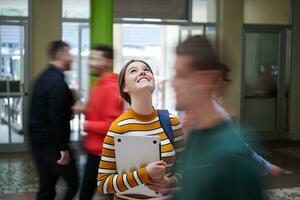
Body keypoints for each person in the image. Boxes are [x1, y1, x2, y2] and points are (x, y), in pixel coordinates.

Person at [171, 35, 264, 200]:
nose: (173, 83)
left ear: (204, 79)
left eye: (182, 75)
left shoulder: (232, 154)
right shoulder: (194, 136)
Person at [97, 60, 185, 199]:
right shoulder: (118, 127)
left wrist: (170, 182)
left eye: (146, 69)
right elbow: (103, 183)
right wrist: (145, 174)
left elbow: (185, 167)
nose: (142, 72)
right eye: (133, 71)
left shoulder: (171, 121)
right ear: (125, 87)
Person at [28, 40, 79, 200]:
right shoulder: (57, 83)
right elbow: (57, 119)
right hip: (53, 145)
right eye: (69, 54)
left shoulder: (42, 77)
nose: (72, 58)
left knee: (47, 187)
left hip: (38, 143)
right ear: (60, 55)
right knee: (73, 183)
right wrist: (63, 149)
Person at [74, 44, 124, 200]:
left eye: (96, 58)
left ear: (108, 62)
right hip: (95, 151)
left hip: (104, 154)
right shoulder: (98, 85)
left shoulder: (110, 87)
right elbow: (99, 113)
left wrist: (86, 125)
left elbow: (112, 125)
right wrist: (85, 110)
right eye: (91, 58)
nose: (91, 62)